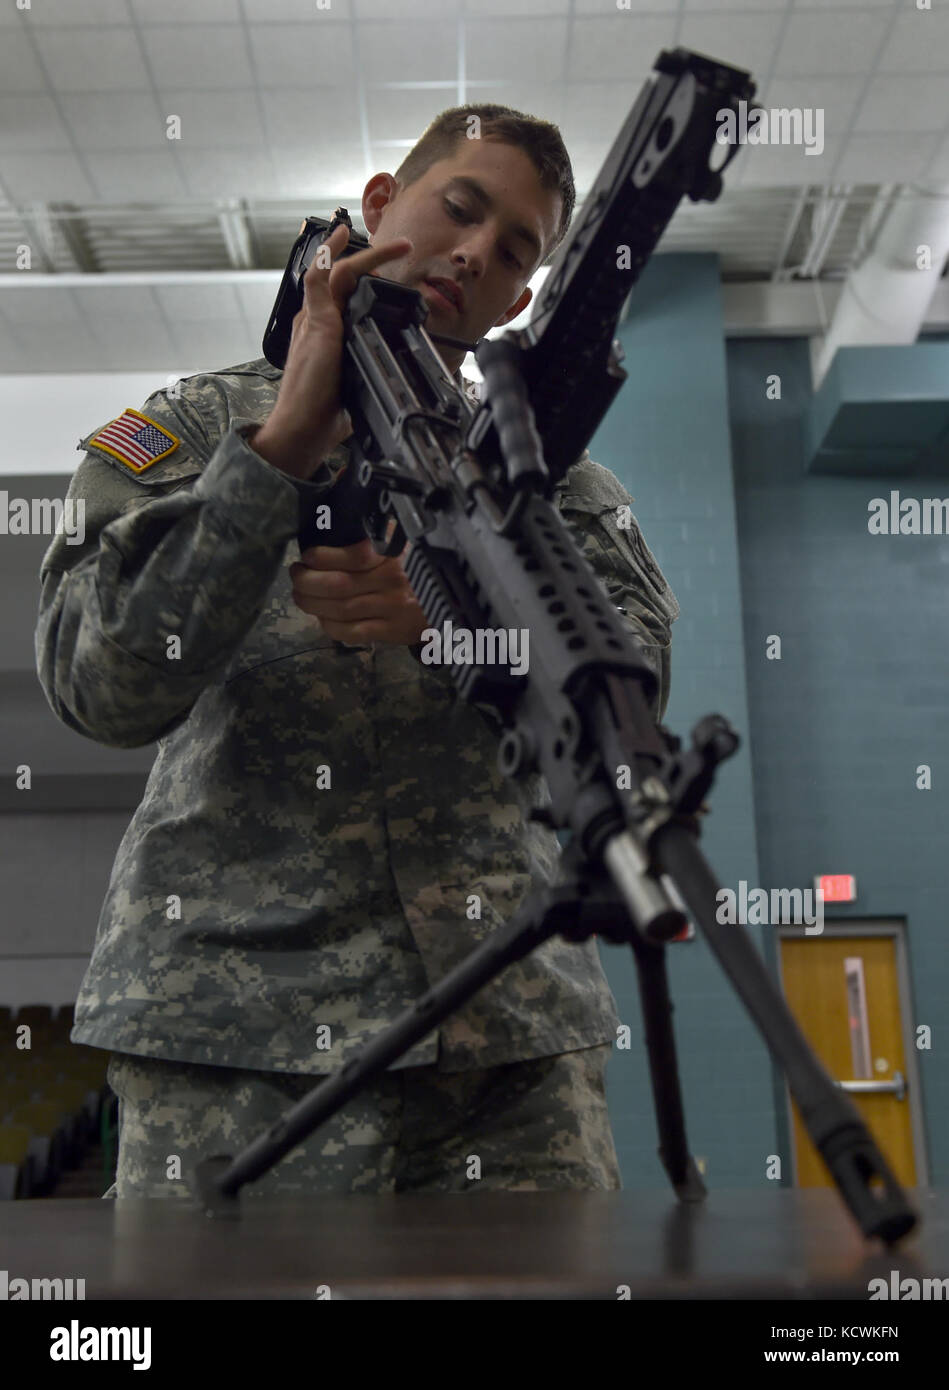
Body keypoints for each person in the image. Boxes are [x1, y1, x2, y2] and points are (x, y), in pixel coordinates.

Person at [34, 105, 679, 1201]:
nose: (475, 252)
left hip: (508, 1054)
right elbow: (98, 680)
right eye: (458, 209)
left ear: (518, 300)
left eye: (514, 250)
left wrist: (454, 624)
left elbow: (632, 697)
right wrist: (273, 459)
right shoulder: (188, 432)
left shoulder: (558, 482)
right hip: (232, 1041)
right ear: (382, 203)